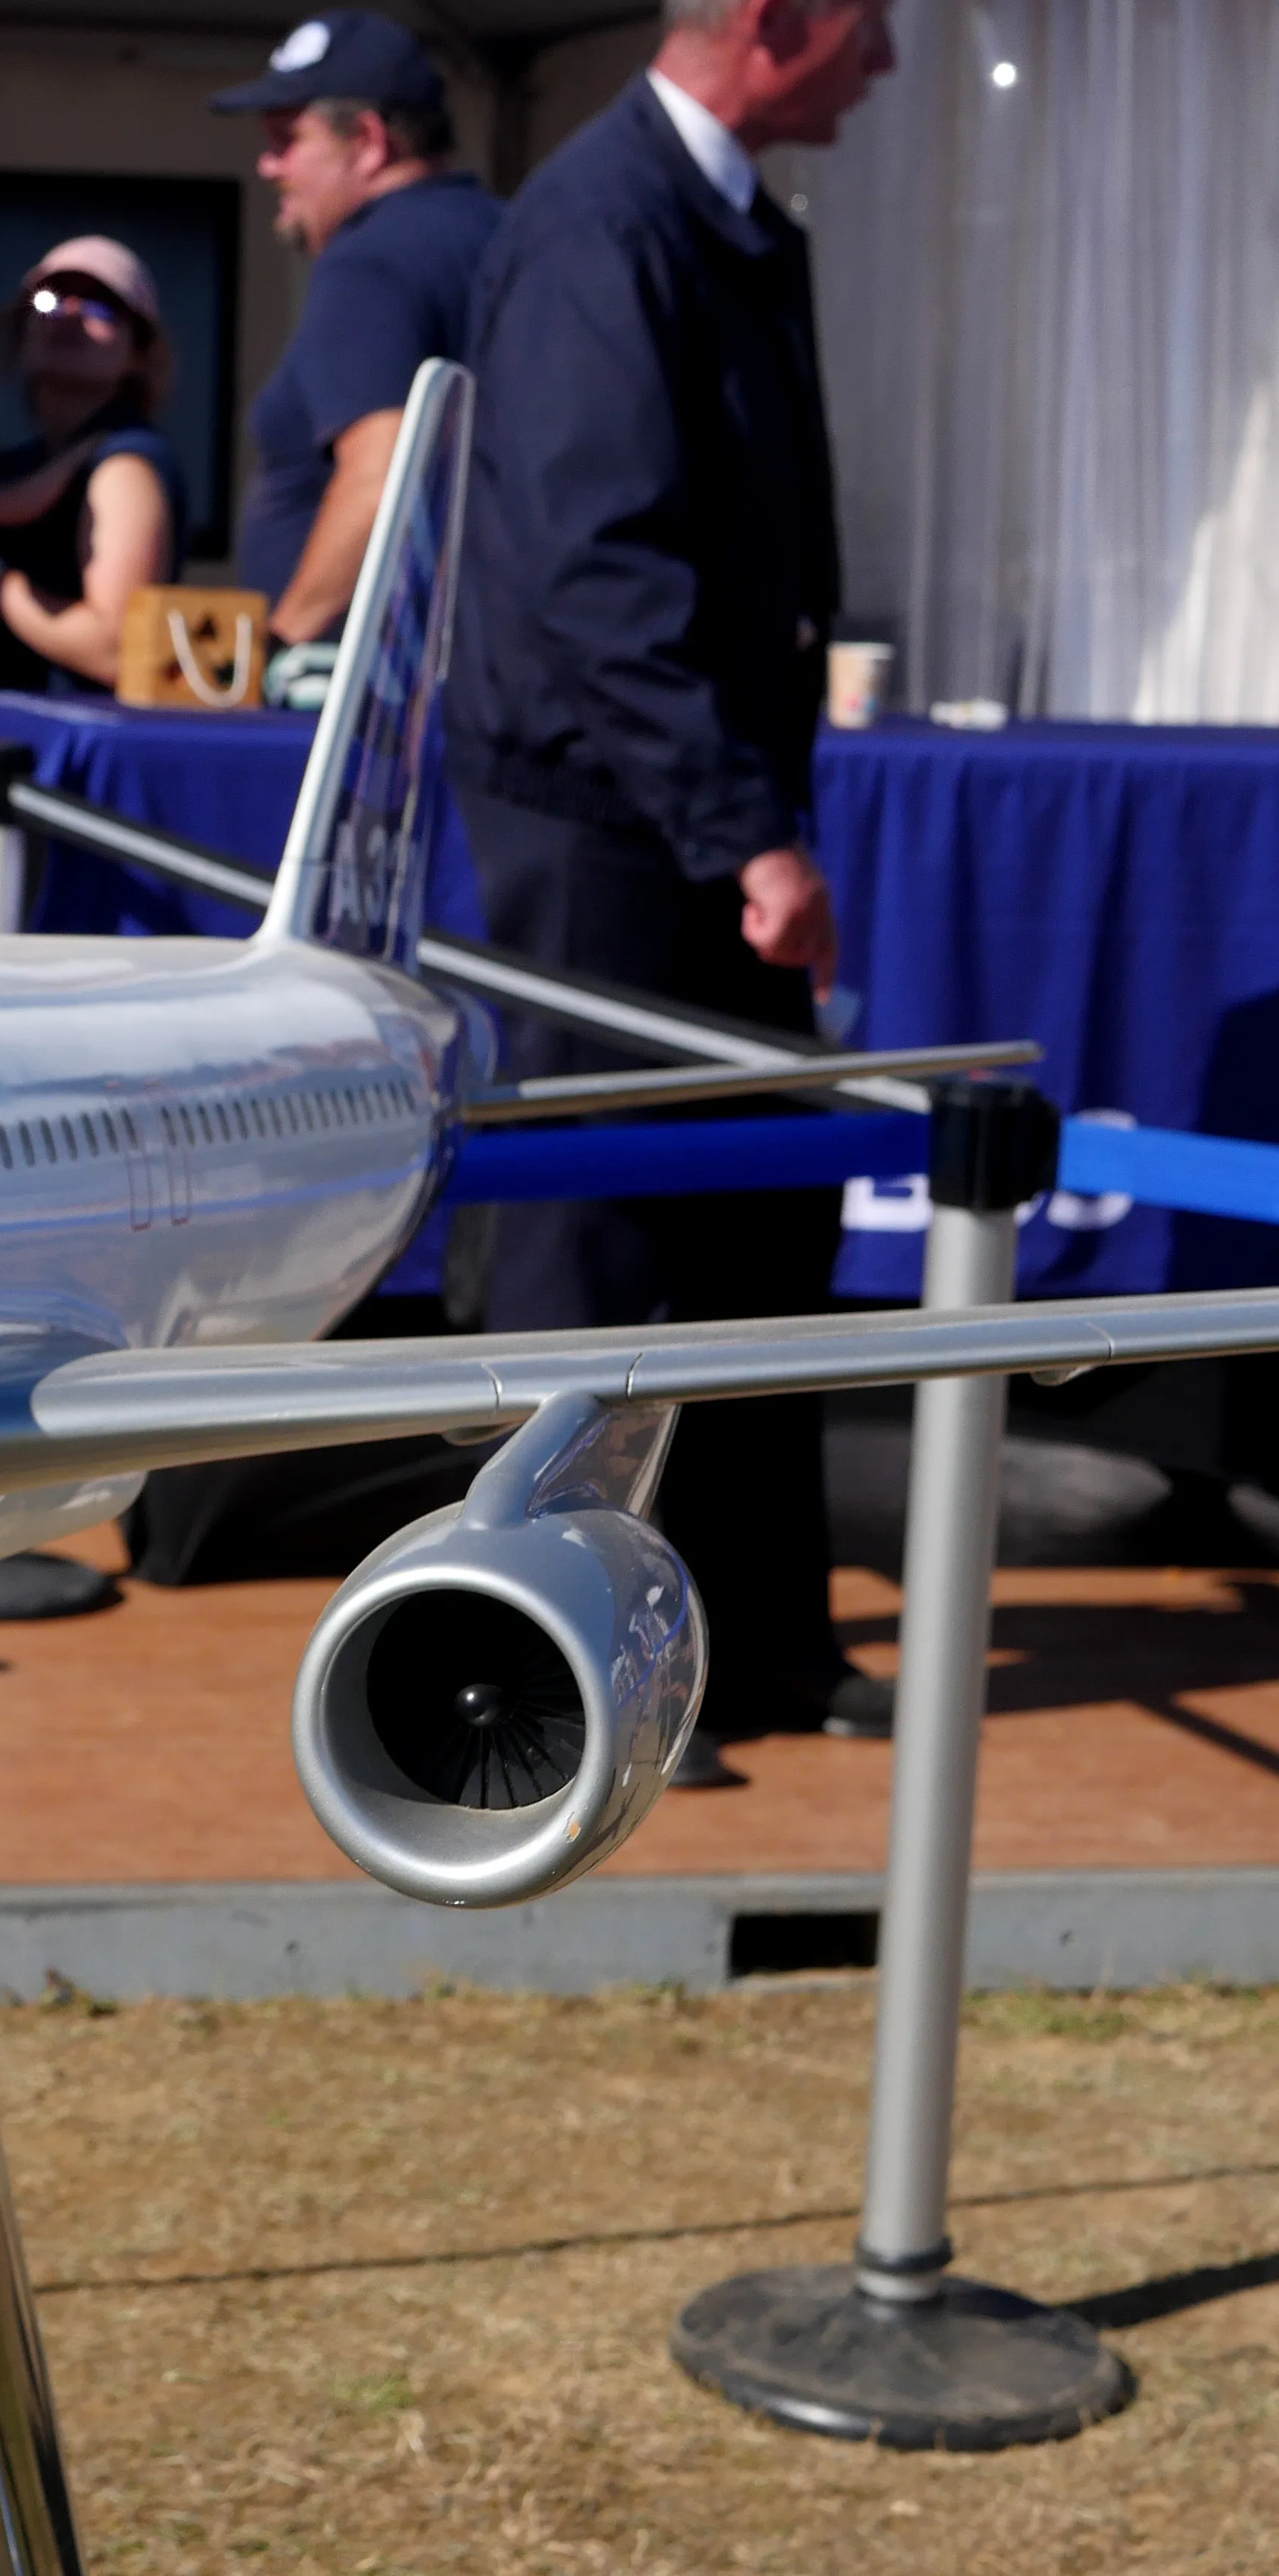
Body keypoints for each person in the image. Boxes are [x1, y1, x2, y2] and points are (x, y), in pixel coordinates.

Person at [449, 0, 899, 1784]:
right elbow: (598, 573)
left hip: (690, 803)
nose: (885, 64)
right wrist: (745, 834)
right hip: (608, 818)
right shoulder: (601, 222)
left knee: (758, 1214)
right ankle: (553, 1660)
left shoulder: (707, 214)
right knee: (601, 1240)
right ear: (775, 23)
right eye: (871, 26)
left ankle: (760, 1640)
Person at [214, 13, 499, 659]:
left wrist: (280, 646)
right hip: (477, 668)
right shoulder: (506, 237)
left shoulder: (368, 260)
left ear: (368, 141)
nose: (268, 164)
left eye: (287, 139)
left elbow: (380, 477)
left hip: (366, 687)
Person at [0, 237, 186, 694]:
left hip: (75, 734)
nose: (70, 314)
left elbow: (117, 651)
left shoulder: (124, 465)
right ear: (20, 334)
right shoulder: (19, 466)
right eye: (49, 301)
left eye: (102, 309)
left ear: (139, 354)